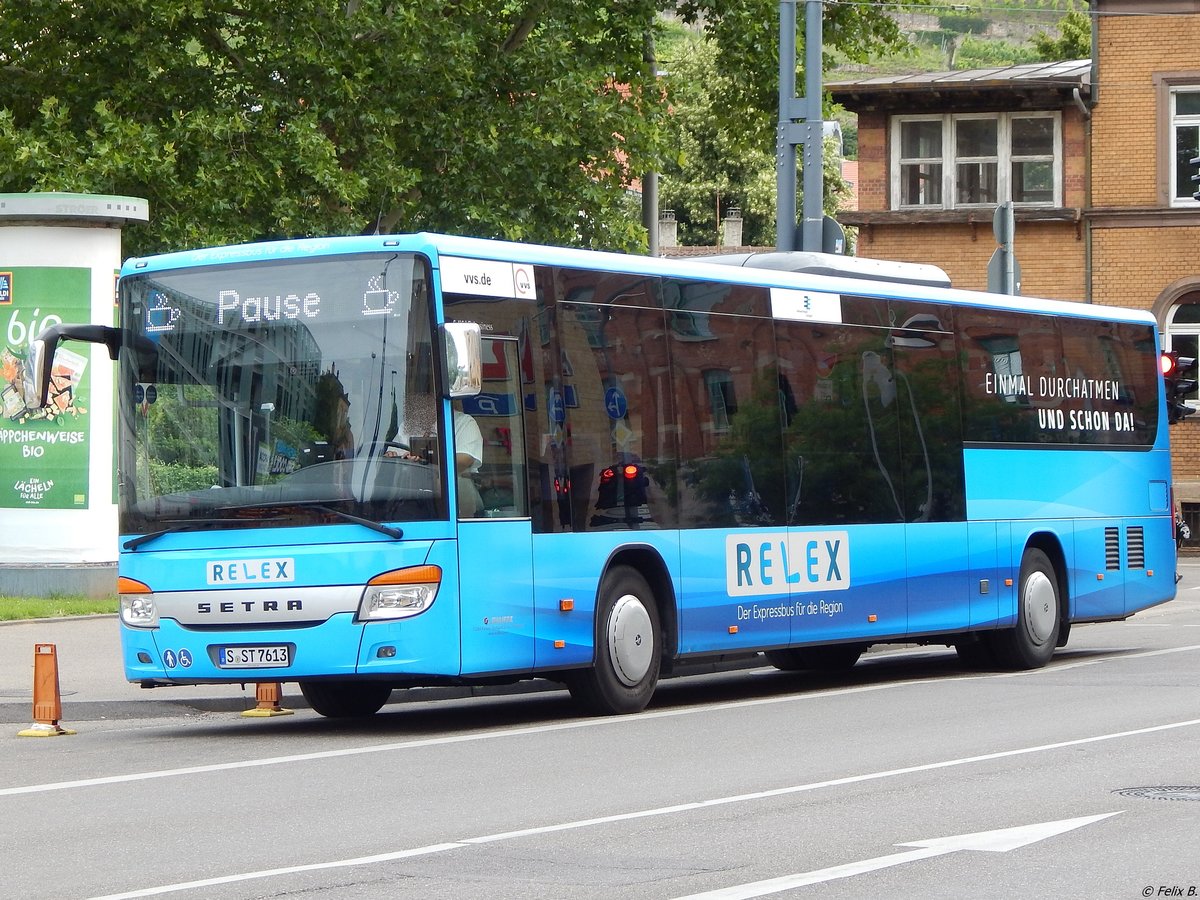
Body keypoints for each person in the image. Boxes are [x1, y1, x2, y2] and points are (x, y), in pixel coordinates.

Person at [454, 406, 484, 517]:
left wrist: (421, 461)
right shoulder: (410, 424)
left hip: (458, 505)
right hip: (410, 500)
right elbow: (396, 453)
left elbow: (464, 460)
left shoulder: (463, 422)